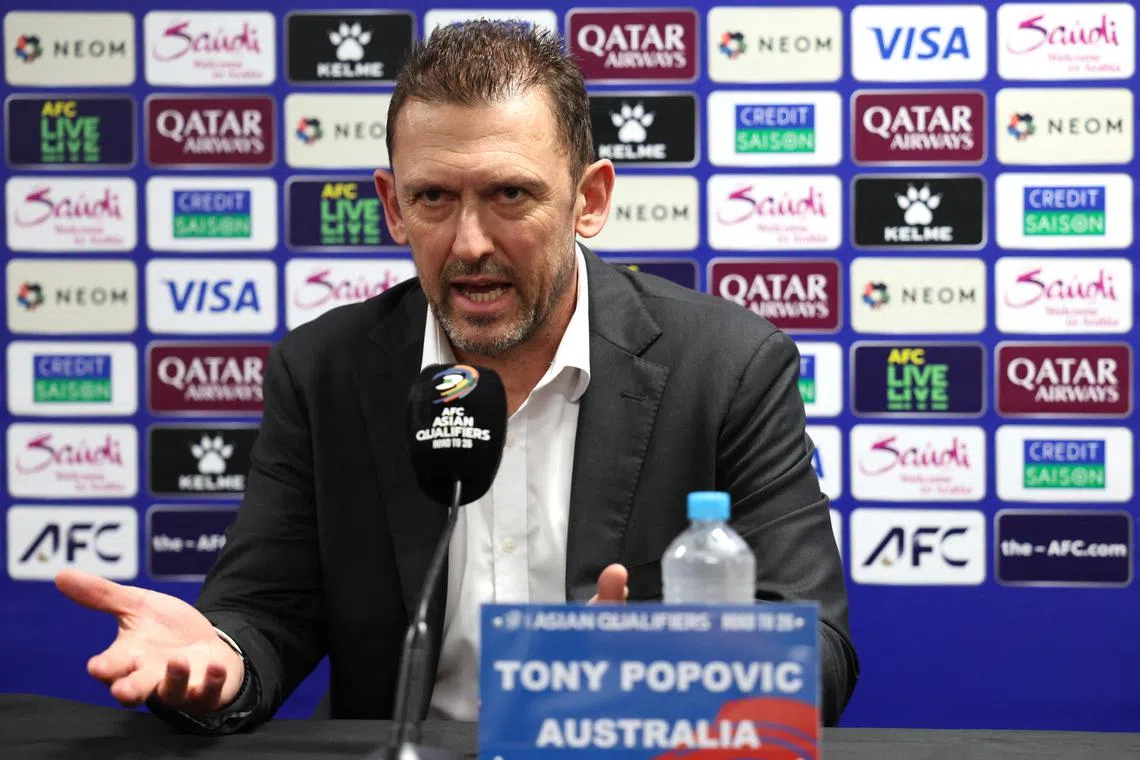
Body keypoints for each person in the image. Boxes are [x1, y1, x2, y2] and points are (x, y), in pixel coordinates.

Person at [55, 21, 858, 732]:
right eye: (434, 197)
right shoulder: (326, 370)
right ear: (393, 207)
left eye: (510, 193)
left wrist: (660, 672)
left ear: (589, 199)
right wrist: (219, 656)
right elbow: (265, 610)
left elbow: (817, 645)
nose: (470, 242)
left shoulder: (725, 366)